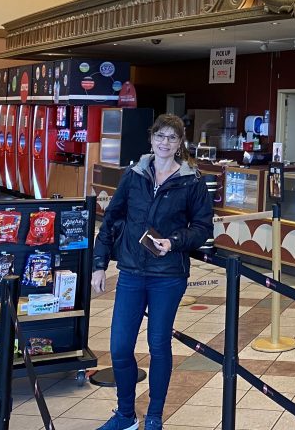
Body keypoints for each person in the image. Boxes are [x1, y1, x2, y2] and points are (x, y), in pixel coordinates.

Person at [91, 114, 213, 430]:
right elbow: (112, 218)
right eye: (160, 136)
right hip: (131, 272)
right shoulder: (134, 174)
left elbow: (203, 228)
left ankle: (155, 415)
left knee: (158, 345)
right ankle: (126, 415)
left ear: (180, 143)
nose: (165, 142)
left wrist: (174, 242)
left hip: (168, 276)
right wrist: (99, 264)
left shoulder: (192, 180)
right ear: (151, 138)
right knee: (120, 347)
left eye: (172, 137)